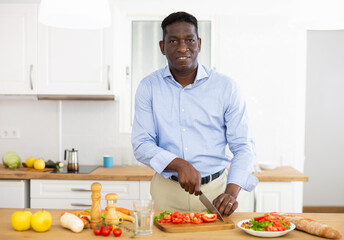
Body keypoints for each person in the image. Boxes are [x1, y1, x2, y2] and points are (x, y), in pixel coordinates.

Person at [131, 11, 258, 216]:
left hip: (216, 192)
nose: (182, 47)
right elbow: (141, 144)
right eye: (173, 41)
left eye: (189, 40)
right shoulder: (148, 87)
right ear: (162, 47)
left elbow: (243, 147)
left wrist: (232, 193)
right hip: (166, 191)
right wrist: (180, 164)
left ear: (198, 43)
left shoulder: (226, 87)